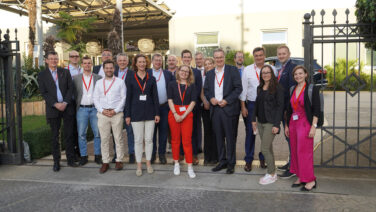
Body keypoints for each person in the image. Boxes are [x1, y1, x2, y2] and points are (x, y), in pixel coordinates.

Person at [37, 51, 78, 172]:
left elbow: (71, 88)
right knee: (55, 136)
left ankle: (70, 160)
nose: (54, 61)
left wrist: (65, 103)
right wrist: (56, 104)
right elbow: (44, 93)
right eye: (51, 59)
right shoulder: (42, 75)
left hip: (67, 107)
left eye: (56, 59)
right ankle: (56, 162)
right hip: (53, 109)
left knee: (69, 134)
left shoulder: (65, 72)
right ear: (46, 60)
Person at [204, 48, 242, 174]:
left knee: (230, 137)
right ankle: (222, 161)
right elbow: (207, 90)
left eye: (221, 57)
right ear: (214, 58)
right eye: (216, 57)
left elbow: (238, 88)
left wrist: (227, 100)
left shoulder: (232, 70)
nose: (219, 59)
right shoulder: (209, 74)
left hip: (229, 108)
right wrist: (211, 98)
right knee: (218, 137)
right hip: (215, 110)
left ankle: (231, 163)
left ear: (224, 57)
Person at [240, 47, 277, 172]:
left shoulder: (272, 69)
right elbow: (243, 89)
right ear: (253, 56)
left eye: (261, 55)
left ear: (264, 56)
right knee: (250, 133)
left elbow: (276, 89)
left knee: (264, 134)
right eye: (256, 55)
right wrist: (243, 107)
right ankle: (248, 160)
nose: (259, 57)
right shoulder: (247, 70)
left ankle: (263, 158)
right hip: (251, 104)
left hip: (267, 105)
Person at [285, 65, 319, 191]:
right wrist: (287, 125)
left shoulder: (311, 89)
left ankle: (310, 180)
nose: (298, 76)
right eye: (295, 74)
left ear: (305, 74)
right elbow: (289, 109)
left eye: (300, 73)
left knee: (304, 152)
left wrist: (313, 126)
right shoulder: (292, 89)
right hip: (293, 123)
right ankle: (300, 176)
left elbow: (317, 109)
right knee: (294, 151)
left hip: (305, 123)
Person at [125, 54, 160, 176]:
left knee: (149, 139)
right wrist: (127, 115)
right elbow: (128, 98)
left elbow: (155, 97)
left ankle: (148, 163)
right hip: (135, 114)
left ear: (146, 63)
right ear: (135, 63)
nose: (142, 64)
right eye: (139, 62)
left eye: (144, 62)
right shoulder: (130, 78)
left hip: (150, 113)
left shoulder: (151, 78)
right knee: (138, 140)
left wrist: (157, 113)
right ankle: (139, 164)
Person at [251, 65, 284, 185]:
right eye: (263, 73)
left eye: (267, 72)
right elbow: (256, 104)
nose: (265, 74)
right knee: (268, 148)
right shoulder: (260, 87)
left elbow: (280, 107)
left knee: (264, 149)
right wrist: (253, 119)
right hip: (260, 122)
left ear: (272, 73)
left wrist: (276, 124)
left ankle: (271, 173)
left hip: (271, 123)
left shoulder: (278, 87)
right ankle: (272, 172)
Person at [93, 60, 126, 174]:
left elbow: (123, 98)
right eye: (106, 68)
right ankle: (105, 161)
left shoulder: (120, 82)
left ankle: (119, 160)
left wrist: (115, 110)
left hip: (116, 114)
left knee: (118, 138)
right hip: (103, 114)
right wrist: (102, 111)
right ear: (103, 69)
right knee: (104, 139)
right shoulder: (98, 83)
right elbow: (95, 99)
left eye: (111, 68)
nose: (109, 70)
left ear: (114, 69)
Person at [168, 65, 197, 178]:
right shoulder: (172, 84)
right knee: (175, 140)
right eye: (182, 70)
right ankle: (176, 163)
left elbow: (193, 102)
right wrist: (175, 114)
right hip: (174, 113)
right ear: (178, 71)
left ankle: (189, 166)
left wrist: (184, 115)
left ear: (189, 73)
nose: (184, 73)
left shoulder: (192, 86)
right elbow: (169, 99)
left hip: (187, 114)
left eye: (187, 71)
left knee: (187, 141)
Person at [72, 56, 102, 166]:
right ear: (82, 65)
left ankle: (97, 156)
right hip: (82, 109)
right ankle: (83, 156)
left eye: (89, 63)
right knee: (81, 134)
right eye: (85, 63)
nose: (87, 65)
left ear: (92, 64)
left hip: (95, 109)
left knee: (97, 133)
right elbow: (74, 93)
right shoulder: (76, 78)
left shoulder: (98, 78)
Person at [275, 45, 298, 179]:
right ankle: (291, 162)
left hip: (289, 111)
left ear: (289, 53)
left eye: (284, 53)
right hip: (284, 109)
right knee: (288, 138)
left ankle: (293, 168)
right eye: (279, 54)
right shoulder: (282, 68)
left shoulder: (292, 68)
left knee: (291, 139)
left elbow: (291, 91)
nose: (281, 55)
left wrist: (287, 111)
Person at [148, 53, 174, 164]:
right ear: (152, 61)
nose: (158, 62)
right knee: (151, 133)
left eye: (160, 60)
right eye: (156, 60)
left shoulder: (167, 74)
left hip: (164, 107)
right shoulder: (147, 73)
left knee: (163, 132)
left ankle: (162, 154)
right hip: (151, 108)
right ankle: (152, 154)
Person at [181, 49, 202, 165]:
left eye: (189, 57)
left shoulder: (196, 72)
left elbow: (198, 90)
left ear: (191, 58)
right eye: (185, 57)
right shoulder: (178, 72)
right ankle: (180, 153)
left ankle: (193, 154)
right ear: (182, 58)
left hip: (193, 107)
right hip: (180, 106)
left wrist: (191, 104)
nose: (187, 59)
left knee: (193, 131)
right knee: (180, 131)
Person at [114, 53, 135, 164]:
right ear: (117, 62)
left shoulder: (133, 74)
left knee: (130, 132)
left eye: (124, 60)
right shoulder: (112, 73)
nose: (122, 62)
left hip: (128, 106)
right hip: (115, 107)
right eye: (120, 60)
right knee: (116, 133)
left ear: (128, 62)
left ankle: (132, 153)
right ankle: (117, 154)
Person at [65, 50, 82, 161]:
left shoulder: (83, 69)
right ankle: (71, 156)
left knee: (80, 130)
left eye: (77, 56)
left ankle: (80, 153)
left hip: (81, 103)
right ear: (69, 58)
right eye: (72, 56)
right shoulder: (65, 71)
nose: (75, 58)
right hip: (70, 103)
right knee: (70, 130)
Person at [201, 57, 218, 165]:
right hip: (206, 107)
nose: (207, 66)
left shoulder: (218, 75)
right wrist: (205, 102)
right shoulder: (202, 77)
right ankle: (207, 157)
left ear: (214, 64)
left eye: (210, 63)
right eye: (205, 64)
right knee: (207, 132)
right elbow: (201, 92)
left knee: (216, 132)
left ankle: (216, 157)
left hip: (216, 107)